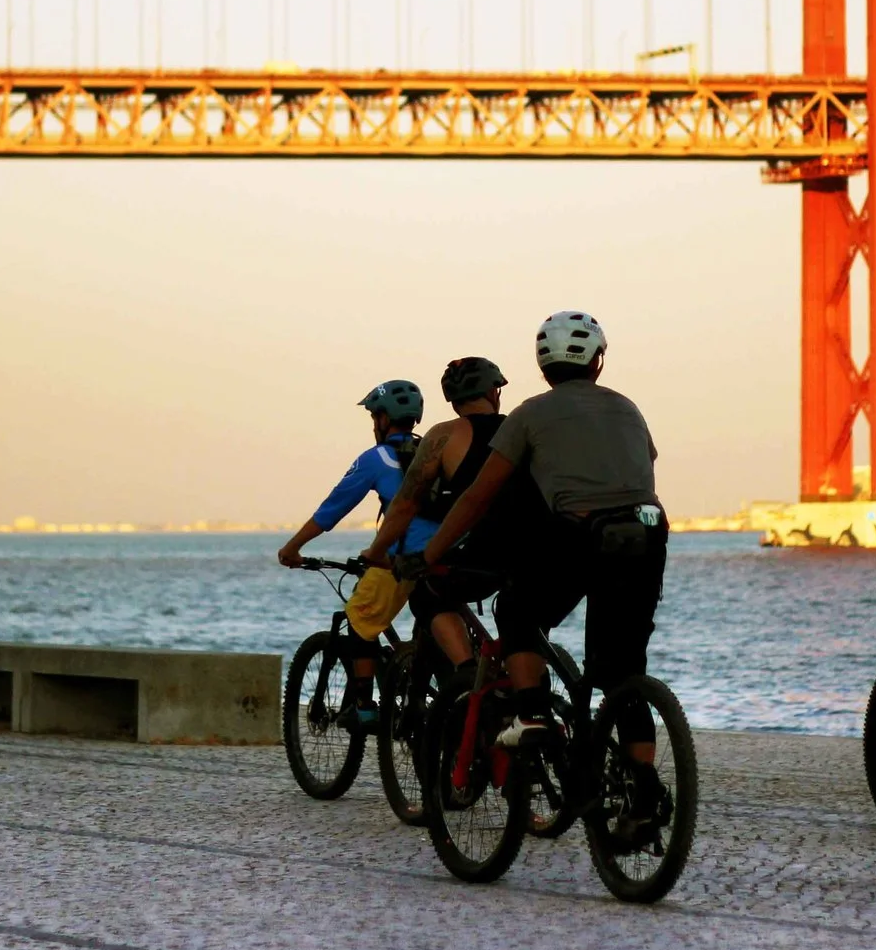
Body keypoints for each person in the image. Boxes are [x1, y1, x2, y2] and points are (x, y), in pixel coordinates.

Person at [416, 312, 666, 803]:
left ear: (542, 365)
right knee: (624, 675)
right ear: (598, 362)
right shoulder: (628, 407)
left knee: (516, 610)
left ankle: (532, 714)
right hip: (646, 535)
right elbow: (643, 466)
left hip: (578, 535)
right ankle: (641, 792)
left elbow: (478, 496)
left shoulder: (530, 414)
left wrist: (430, 552)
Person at [361, 356, 545, 674]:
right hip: (537, 552)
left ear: (452, 399)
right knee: (522, 620)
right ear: (494, 393)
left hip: (481, 557)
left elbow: (406, 504)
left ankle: (466, 672)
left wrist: (376, 552)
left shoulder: (443, 435)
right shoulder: (523, 429)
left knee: (427, 593)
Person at [278, 379, 431, 728]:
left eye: (374, 417)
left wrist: (293, 547)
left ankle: (364, 708)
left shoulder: (376, 459)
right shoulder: (433, 451)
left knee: (360, 616)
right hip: (444, 554)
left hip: (401, 558)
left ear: (383, 419)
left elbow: (332, 509)